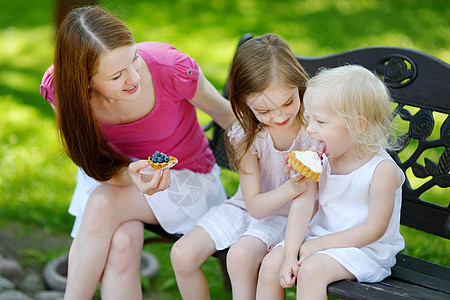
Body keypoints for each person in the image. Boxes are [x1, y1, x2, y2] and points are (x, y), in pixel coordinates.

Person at [39, 6, 235, 300]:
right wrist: (126, 176)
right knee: (122, 241)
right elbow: (86, 156)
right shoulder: (64, 90)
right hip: (112, 177)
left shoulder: (170, 68)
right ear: (85, 81)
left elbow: (229, 117)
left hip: (187, 180)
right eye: (117, 75)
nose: (133, 78)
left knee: (103, 204)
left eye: (135, 60)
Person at [170, 33, 317, 300]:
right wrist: (292, 186)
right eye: (264, 111)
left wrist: (295, 190)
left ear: (299, 85)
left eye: (287, 102)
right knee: (181, 254)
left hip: (293, 218)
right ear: (244, 104)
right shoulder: (248, 135)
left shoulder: (314, 127)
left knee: (240, 256)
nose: (280, 116)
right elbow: (255, 206)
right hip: (252, 207)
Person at [256, 65, 405, 300]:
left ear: (358, 126)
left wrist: (321, 245)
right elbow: (303, 206)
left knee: (312, 271)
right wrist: (288, 255)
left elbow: (373, 229)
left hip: (365, 248)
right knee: (271, 263)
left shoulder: (381, 170)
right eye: (308, 119)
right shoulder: (321, 159)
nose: (311, 129)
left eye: (320, 122)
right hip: (320, 237)